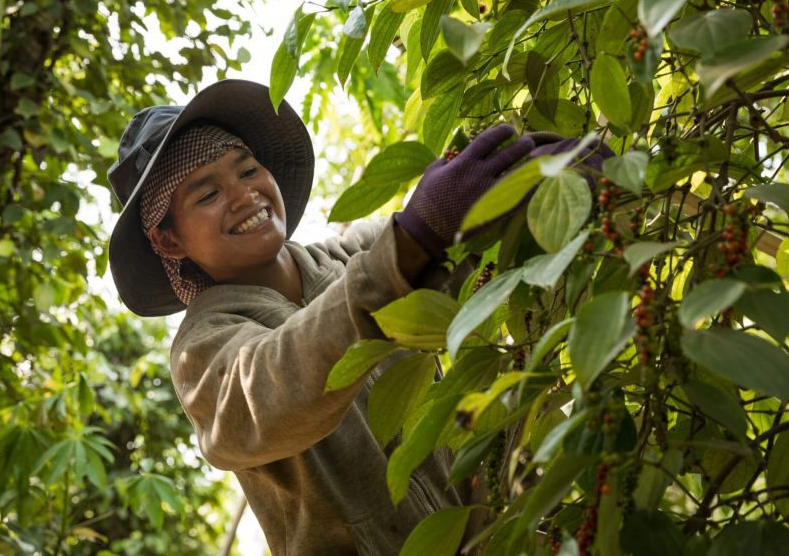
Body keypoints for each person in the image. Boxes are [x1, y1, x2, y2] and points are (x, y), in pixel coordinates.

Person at [105, 79, 543, 554]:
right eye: (207, 195)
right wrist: (414, 240)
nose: (243, 195)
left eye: (248, 170)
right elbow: (277, 381)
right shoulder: (203, 351)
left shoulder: (353, 257)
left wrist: (535, 186)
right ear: (169, 241)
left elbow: (465, 254)